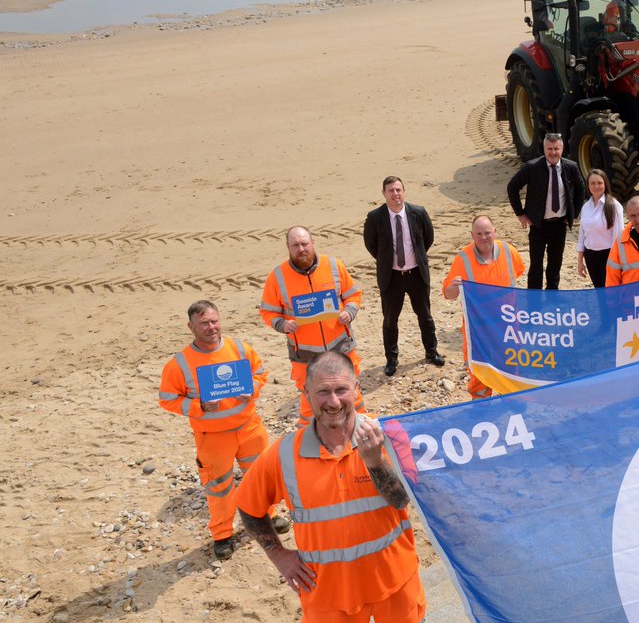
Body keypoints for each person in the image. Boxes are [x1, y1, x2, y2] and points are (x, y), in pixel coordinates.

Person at [235, 350, 459, 623]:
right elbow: (248, 506)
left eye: (342, 390)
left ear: (356, 389)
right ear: (306, 394)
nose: (333, 401)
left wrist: (375, 463)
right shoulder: (284, 455)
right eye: (323, 391)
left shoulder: (386, 436)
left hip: (393, 576)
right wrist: (279, 554)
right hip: (328, 591)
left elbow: (404, 502)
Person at [158, 300, 289, 560]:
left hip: (249, 427)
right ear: (191, 327)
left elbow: (260, 373)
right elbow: (167, 399)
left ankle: (270, 516)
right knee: (219, 487)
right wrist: (199, 406)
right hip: (212, 437)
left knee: (261, 477)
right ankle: (222, 535)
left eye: (214, 321)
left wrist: (252, 388)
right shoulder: (181, 363)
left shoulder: (239, 348)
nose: (211, 327)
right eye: (204, 323)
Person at [260, 225, 364, 427]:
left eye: (305, 244)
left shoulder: (334, 265)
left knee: (352, 397)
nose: (301, 249)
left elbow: (353, 295)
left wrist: (349, 311)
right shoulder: (278, 276)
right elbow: (268, 312)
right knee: (310, 406)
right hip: (305, 356)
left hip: (341, 347)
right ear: (288, 248)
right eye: (295, 245)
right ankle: (309, 450)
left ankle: (361, 438)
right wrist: (282, 324)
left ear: (313, 242)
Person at [362, 175, 445, 376]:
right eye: (390, 191)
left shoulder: (418, 212)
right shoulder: (375, 217)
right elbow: (371, 245)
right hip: (392, 277)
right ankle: (391, 359)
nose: (395, 194)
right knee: (390, 320)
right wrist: (387, 260)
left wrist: (414, 259)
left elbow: (427, 239)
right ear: (384, 194)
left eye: (398, 190)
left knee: (425, 316)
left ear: (404, 192)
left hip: (416, 274)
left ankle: (431, 351)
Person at [443, 215, 527, 399]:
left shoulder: (508, 251)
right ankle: (481, 405)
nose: (484, 237)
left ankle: (514, 398)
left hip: (507, 325)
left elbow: (518, 272)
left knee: (511, 363)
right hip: (478, 329)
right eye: (479, 233)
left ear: (495, 232)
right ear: (472, 235)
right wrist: (454, 286)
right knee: (480, 369)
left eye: (487, 233)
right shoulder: (463, 259)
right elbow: (448, 294)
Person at [506, 132, 586, 290]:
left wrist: (574, 214)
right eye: (550, 149)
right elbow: (512, 187)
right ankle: (534, 297)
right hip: (538, 225)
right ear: (544, 149)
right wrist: (520, 213)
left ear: (562, 149)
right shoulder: (532, 167)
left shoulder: (571, 167)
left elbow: (581, 189)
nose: (553, 152)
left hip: (560, 224)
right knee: (536, 264)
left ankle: (552, 294)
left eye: (556, 148)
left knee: (555, 263)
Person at [576, 168, 624, 289]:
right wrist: (580, 261)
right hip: (590, 256)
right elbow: (582, 235)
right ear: (588, 186)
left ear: (605, 184)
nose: (596, 186)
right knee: (599, 290)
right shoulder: (586, 207)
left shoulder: (614, 206)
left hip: (608, 256)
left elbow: (618, 237)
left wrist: (614, 262)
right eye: (592, 183)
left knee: (610, 292)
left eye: (599, 183)